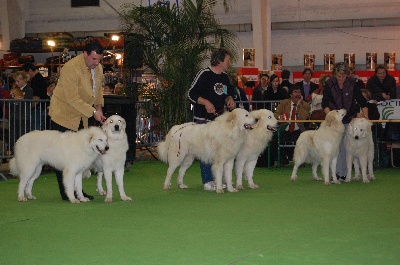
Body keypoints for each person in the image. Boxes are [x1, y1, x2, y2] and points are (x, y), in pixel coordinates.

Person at [48, 41, 106, 201]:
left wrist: (99, 108)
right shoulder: (70, 68)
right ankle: (67, 192)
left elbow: (98, 91)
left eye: (99, 59)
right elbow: (72, 98)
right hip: (63, 115)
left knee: (79, 156)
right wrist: (93, 111)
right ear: (85, 54)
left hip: (82, 116)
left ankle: (78, 191)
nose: (96, 63)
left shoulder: (98, 69)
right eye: (94, 59)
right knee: (64, 156)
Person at [188, 48, 235, 191]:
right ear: (220, 61)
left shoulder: (225, 77)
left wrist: (230, 99)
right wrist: (206, 102)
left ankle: (218, 179)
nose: (229, 62)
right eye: (228, 59)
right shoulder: (204, 74)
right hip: (203, 119)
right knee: (205, 150)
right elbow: (191, 93)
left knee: (219, 150)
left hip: (219, 121)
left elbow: (227, 93)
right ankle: (207, 180)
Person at [322, 62, 368, 181]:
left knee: (346, 148)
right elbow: (324, 103)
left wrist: (366, 117)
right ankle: (337, 174)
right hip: (334, 121)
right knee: (335, 147)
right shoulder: (329, 83)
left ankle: (344, 174)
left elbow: (362, 101)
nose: (341, 79)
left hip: (349, 119)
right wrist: (331, 117)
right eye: (338, 76)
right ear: (334, 75)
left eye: (343, 76)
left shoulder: (352, 83)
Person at [270, 85, 310, 166]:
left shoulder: (305, 105)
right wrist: (279, 117)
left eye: (299, 92)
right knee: (273, 139)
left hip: (298, 130)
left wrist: (299, 105)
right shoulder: (284, 103)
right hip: (284, 129)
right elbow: (276, 114)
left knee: (302, 141)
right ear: (291, 95)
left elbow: (304, 117)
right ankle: (282, 159)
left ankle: (300, 161)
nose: (298, 94)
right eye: (295, 92)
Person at [9, 71, 33, 151]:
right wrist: (14, 100)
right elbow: (11, 102)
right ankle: (13, 152)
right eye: (16, 81)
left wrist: (16, 100)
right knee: (14, 136)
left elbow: (26, 101)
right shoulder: (15, 89)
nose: (16, 83)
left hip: (24, 117)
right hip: (14, 116)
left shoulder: (29, 89)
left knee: (23, 136)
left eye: (18, 81)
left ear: (24, 80)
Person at [22, 62, 49, 130]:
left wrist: (28, 108)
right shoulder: (39, 78)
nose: (26, 76)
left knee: (36, 131)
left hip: (38, 110)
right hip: (41, 108)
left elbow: (36, 98)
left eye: (26, 73)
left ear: (30, 71)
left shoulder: (36, 80)